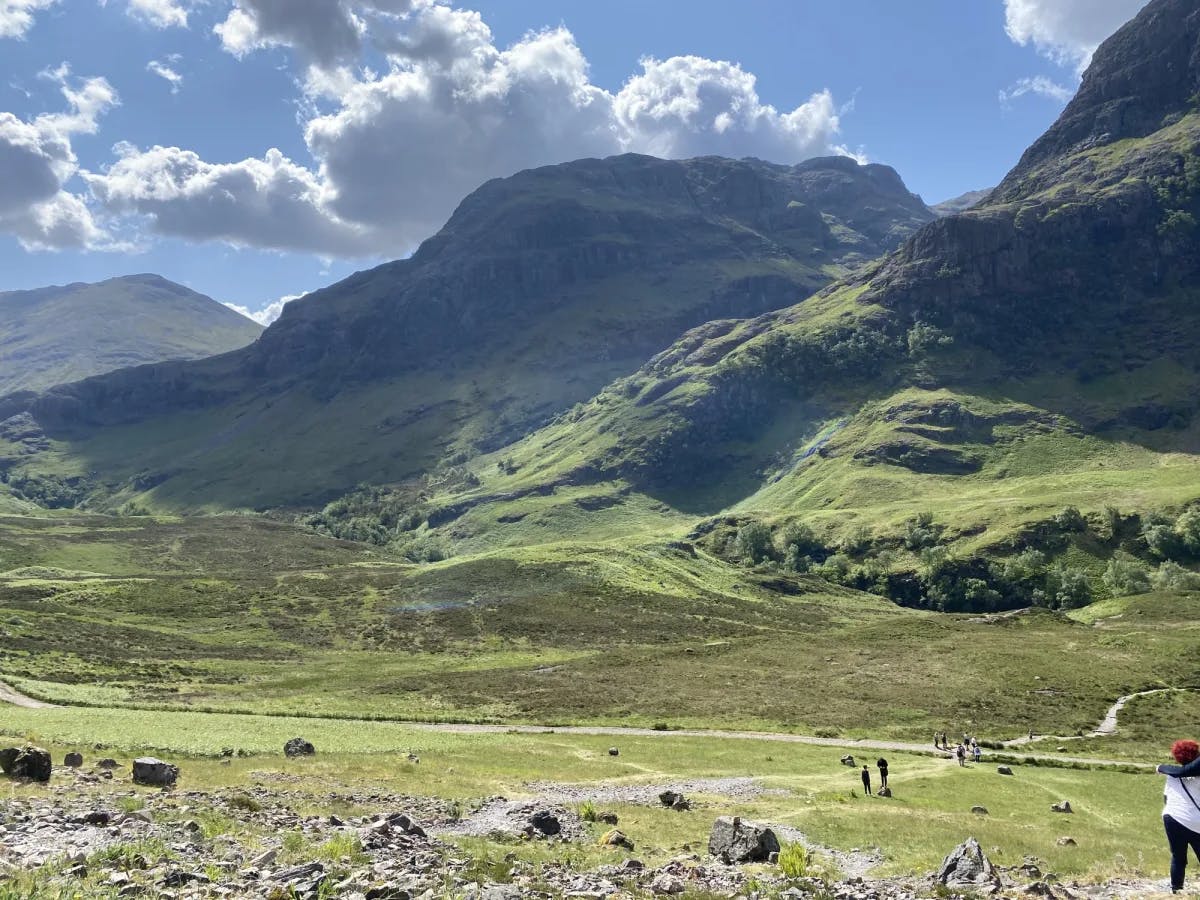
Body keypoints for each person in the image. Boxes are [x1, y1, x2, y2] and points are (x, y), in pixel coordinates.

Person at [1159, 740, 1200, 893]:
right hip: (1195, 821)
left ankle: (1176, 890)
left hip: (1171, 817)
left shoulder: (1172, 775)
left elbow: (1166, 798)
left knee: (1178, 856)